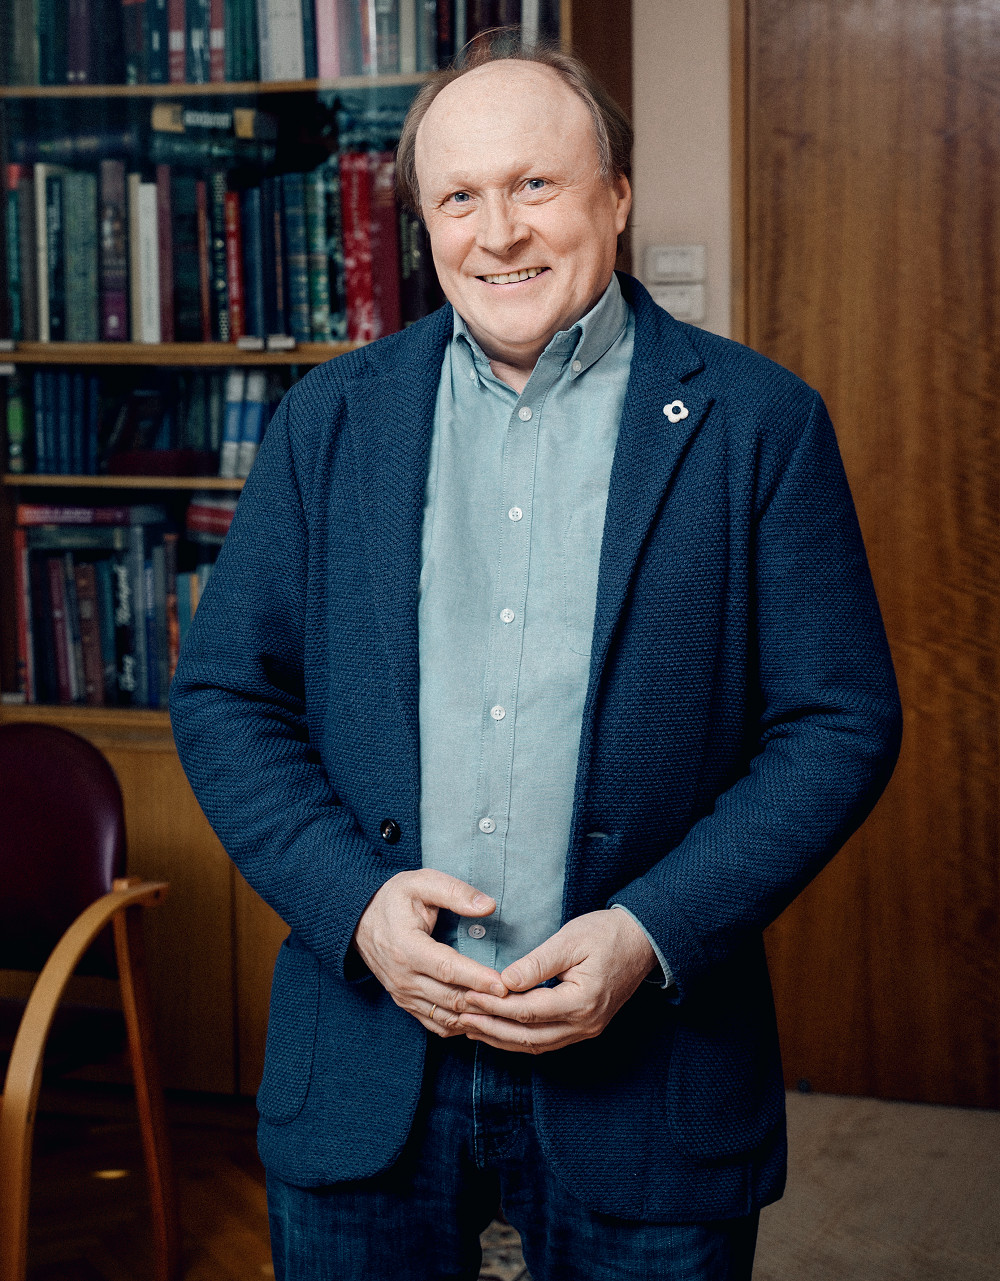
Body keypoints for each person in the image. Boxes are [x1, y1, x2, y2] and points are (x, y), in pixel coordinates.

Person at [169, 31, 902, 1281]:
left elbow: (838, 725)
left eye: (534, 185)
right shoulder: (328, 420)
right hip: (369, 1054)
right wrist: (352, 905)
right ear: (424, 225)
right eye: (458, 197)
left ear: (616, 196)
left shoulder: (759, 424)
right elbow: (228, 694)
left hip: (649, 1075)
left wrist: (651, 931)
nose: (496, 232)